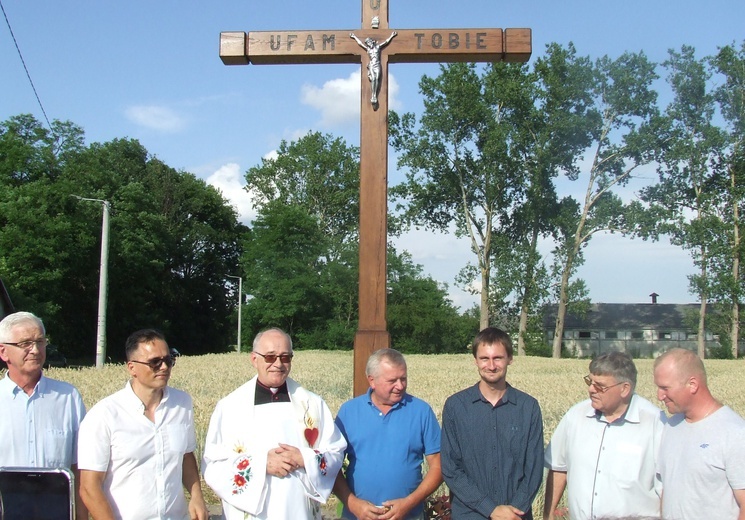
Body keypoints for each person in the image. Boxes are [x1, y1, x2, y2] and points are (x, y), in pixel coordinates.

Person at [202, 328, 347, 520]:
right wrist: (262, 464)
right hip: (253, 512)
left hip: (298, 509)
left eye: (285, 357)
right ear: (254, 359)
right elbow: (213, 465)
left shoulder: (312, 404)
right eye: (270, 357)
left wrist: (305, 458)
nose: (278, 364)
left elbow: (335, 452)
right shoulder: (229, 407)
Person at [77, 329, 209, 520]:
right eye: (155, 362)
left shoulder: (182, 404)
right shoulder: (104, 415)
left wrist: (197, 496)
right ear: (132, 368)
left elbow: (186, 456)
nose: (164, 367)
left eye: (169, 359)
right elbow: (89, 487)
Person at [543, 351, 665, 520]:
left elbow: (667, 487)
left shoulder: (655, 423)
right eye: (589, 381)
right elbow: (558, 468)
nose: (591, 389)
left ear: (624, 389)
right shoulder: (576, 416)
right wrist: (547, 516)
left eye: (600, 385)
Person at [441, 327, 543, 520]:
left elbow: (534, 467)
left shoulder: (528, 407)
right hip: (470, 515)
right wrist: (490, 509)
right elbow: (451, 468)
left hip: (516, 515)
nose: (491, 365)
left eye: (498, 358)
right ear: (475, 361)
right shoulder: (456, 406)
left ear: (510, 359)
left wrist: (514, 509)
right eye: (484, 358)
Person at [333, 348, 442, 520]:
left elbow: (439, 466)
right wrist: (353, 504)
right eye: (392, 380)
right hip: (358, 516)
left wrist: (409, 503)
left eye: (403, 379)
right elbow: (330, 464)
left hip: (409, 515)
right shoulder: (349, 412)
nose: (400, 386)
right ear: (372, 381)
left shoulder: (421, 412)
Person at [0, 311, 87, 520]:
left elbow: (82, 466)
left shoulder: (67, 397)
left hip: (56, 511)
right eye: (25, 343)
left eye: (40, 341)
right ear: (3, 352)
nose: (35, 350)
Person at [653, 347, 745, 520]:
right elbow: (669, 492)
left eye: (665, 388)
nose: (659, 396)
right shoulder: (671, 427)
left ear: (692, 384)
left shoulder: (735, 433)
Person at [350, 31, 397, 106]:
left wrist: (391, 36)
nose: (368, 44)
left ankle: (375, 94)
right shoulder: (368, 50)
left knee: (377, 78)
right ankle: (373, 95)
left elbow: (386, 42)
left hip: (377, 64)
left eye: (369, 42)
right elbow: (360, 44)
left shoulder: (378, 47)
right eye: (367, 43)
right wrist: (354, 37)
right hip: (372, 65)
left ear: (371, 42)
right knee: (373, 79)